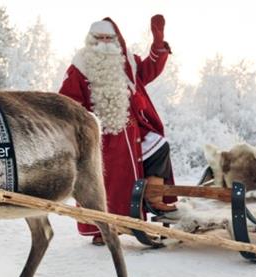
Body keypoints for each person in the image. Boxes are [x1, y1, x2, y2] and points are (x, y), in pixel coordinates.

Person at [58, 15, 177, 246]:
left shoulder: (127, 63)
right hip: (100, 139)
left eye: (108, 38)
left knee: (159, 146)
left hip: (132, 134)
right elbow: (67, 102)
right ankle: (102, 229)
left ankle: (155, 200)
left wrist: (158, 43)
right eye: (98, 38)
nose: (103, 42)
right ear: (90, 41)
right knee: (105, 185)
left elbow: (149, 69)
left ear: (115, 40)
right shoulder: (80, 67)